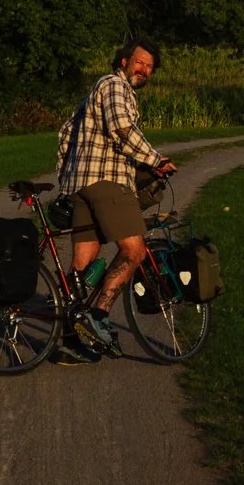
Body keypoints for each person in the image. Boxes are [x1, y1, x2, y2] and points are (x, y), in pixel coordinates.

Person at [55, 38, 178, 355]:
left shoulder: (98, 90)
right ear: (123, 61)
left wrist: (66, 175)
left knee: (83, 264)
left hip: (83, 185)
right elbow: (122, 129)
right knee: (134, 250)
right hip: (108, 181)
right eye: (140, 62)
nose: (145, 70)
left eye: (150, 67)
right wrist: (155, 160)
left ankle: (72, 338)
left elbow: (68, 131)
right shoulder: (114, 85)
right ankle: (97, 317)